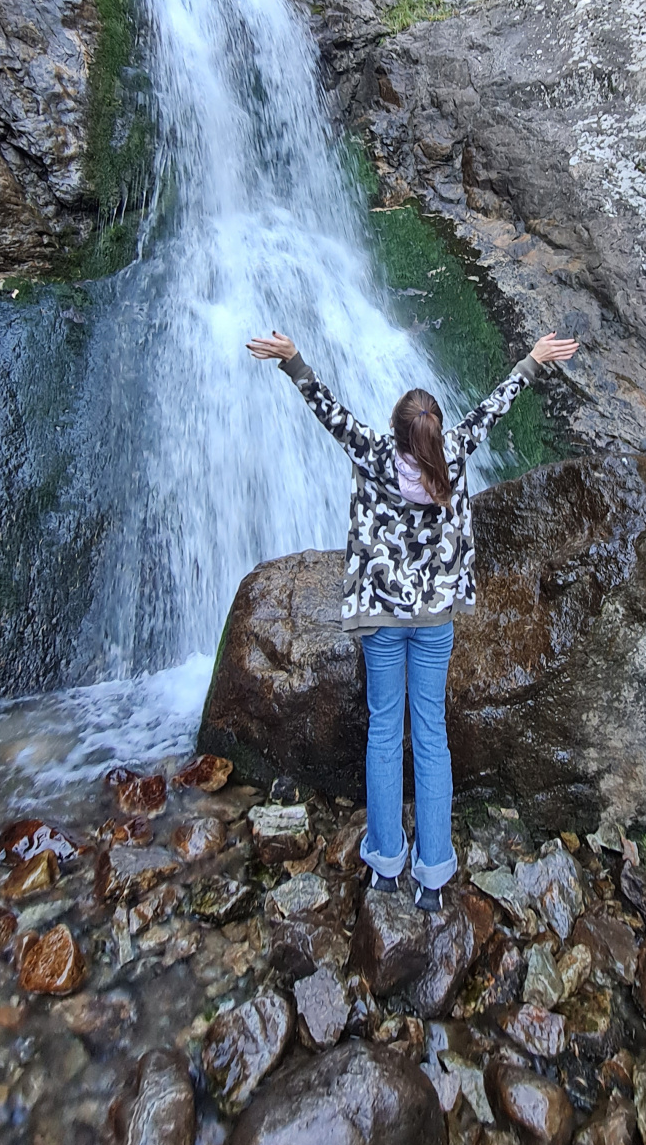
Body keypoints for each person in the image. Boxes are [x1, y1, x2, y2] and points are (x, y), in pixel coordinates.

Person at [246, 327, 578, 912]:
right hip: (432, 622)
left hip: (379, 617)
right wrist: (534, 359)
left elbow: (324, 406)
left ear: (396, 433)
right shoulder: (453, 455)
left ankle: (384, 866)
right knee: (430, 737)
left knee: (382, 733)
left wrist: (292, 359)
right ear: (437, 432)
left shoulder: (371, 453)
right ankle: (433, 874)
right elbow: (498, 404)